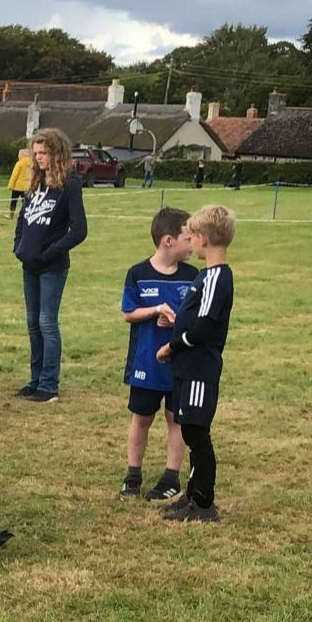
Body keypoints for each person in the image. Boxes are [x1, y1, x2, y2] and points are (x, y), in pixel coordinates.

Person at [155, 205, 236, 523]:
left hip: (200, 368)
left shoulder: (218, 278)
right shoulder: (206, 276)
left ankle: (204, 503)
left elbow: (203, 327)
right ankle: (191, 495)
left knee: (196, 431)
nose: (189, 243)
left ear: (202, 239)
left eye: (190, 237)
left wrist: (173, 346)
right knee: (188, 427)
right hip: (186, 367)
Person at [119, 208, 196, 501]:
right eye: (187, 239)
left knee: (176, 419)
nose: (192, 245)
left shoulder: (193, 276)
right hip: (146, 364)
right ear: (168, 241)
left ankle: (170, 477)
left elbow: (198, 318)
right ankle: (133, 474)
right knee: (141, 419)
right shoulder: (138, 274)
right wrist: (155, 311)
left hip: (180, 364)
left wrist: (178, 321)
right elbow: (128, 313)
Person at [14, 127, 88, 403]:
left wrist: (50, 252)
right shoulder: (35, 182)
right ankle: (35, 379)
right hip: (29, 263)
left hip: (52, 266)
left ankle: (48, 384)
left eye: (44, 153)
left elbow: (78, 229)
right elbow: (23, 218)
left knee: (47, 322)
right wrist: (19, 245)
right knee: (33, 323)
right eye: (36, 154)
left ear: (57, 154)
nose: (39, 158)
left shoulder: (69, 185)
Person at [5, 148, 32, 220]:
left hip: (17, 186)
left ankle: (11, 215)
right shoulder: (32, 164)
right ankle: (27, 215)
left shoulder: (19, 163)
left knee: (14, 201)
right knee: (26, 202)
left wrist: (10, 186)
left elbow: (14, 175)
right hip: (27, 187)